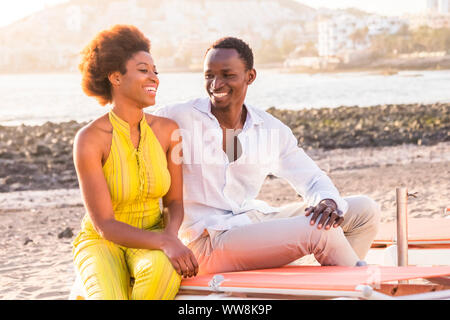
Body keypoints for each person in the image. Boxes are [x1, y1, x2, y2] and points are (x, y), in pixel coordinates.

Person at [153, 37, 381, 274]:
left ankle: (337, 289)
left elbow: (312, 178)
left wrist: (327, 201)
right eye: (209, 75)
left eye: (227, 75)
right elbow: (127, 133)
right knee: (320, 230)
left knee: (364, 210)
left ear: (250, 76)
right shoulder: (177, 116)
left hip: (250, 221)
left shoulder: (269, 128)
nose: (216, 84)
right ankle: (359, 287)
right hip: (205, 240)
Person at [72, 24, 198, 300]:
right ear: (116, 77)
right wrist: (165, 241)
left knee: (162, 272)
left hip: (154, 236)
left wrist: (171, 237)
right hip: (103, 241)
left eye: (155, 71)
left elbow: (175, 203)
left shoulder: (169, 131)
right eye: (143, 70)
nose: (154, 77)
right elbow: (105, 224)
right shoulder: (90, 139)